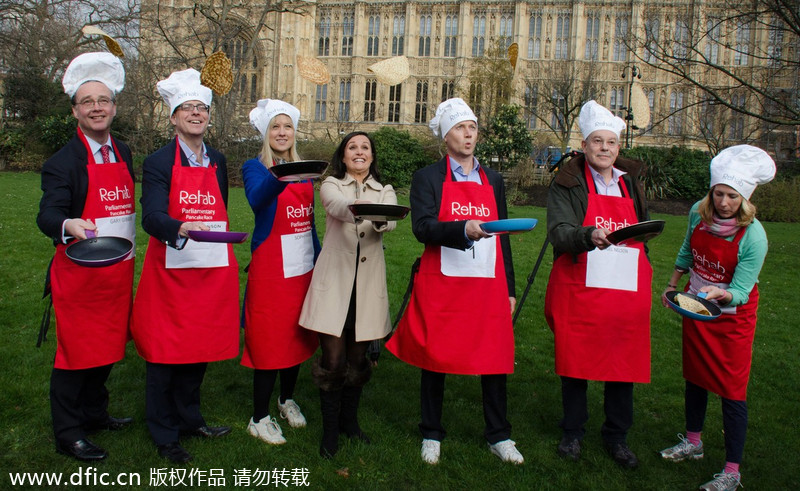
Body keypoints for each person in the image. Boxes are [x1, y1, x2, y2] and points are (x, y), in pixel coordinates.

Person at [386, 98, 523, 465]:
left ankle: (499, 435)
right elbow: (422, 227)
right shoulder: (428, 177)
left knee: (494, 355)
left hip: (487, 282)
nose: (468, 134)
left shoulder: (492, 180)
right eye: (461, 128)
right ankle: (431, 432)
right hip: (443, 281)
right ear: (446, 135)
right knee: (436, 354)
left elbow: (503, 236)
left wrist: (509, 288)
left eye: (473, 127)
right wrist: (462, 228)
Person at [132, 69, 239, 464]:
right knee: (164, 354)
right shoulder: (159, 161)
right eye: (187, 108)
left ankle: (190, 419)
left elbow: (220, 209)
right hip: (171, 269)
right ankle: (164, 434)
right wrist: (179, 226)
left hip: (210, 268)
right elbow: (150, 217)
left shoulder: (220, 160)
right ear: (174, 118)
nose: (195, 113)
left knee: (200, 348)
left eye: (201, 108)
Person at [659, 145, 775, 491]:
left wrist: (720, 294)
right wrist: (673, 286)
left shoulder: (753, 236)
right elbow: (685, 252)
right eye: (719, 194)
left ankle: (732, 471)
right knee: (695, 377)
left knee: (731, 390)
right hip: (697, 307)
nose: (724, 203)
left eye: (732, 196)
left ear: (745, 199)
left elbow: (741, 289)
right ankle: (693, 442)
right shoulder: (699, 213)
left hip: (732, 319)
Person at [36, 52, 134, 461]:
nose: (97, 107)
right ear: (75, 110)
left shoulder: (123, 151)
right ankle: (69, 430)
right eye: (88, 101)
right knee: (75, 353)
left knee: (108, 346)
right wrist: (69, 226)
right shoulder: (63, 162)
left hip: (117, 272)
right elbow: (48, 214)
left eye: (103, 100)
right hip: (79, 274)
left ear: (113, 107)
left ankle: (96, 413)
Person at [543, 100, 651, 469]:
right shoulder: (567, 182)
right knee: (576, 360)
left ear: (619, 148)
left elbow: (643, 230)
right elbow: (559, 232)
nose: (605, 148)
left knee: (623, 362)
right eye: (597, 141)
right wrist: (589, 234)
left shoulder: (631, 183)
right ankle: (572, 432)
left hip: (624, 285)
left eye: (612, 143)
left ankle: (617, 436)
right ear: (584, 145)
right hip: (580, 283)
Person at [300, 131, 398, 458]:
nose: (359, 152)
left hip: (367, 289)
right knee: (333, 361)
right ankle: (330, 433)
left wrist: (379, 215)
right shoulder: (330, 185)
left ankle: (349, 424)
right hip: (334, 286)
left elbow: (390, 219)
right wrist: (367, 209)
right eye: (352, 147)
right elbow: (338, 208)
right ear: (343, 156)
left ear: (372, 156)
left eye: (365, 148)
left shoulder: (384, 190)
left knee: (358, 361)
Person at [241, 99, 320, 445]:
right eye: (276, 126)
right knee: (269, 338)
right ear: (265, 133)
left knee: (297, 336)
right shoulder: (254, 168)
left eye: (287, 126)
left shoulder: (305, 169)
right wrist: (282, 175)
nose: (282, 132)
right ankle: (258, 417)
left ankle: (286, 399)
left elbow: (309, 222)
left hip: (303, 266)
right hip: (272, 269)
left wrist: (321, 261)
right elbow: (257, 200)